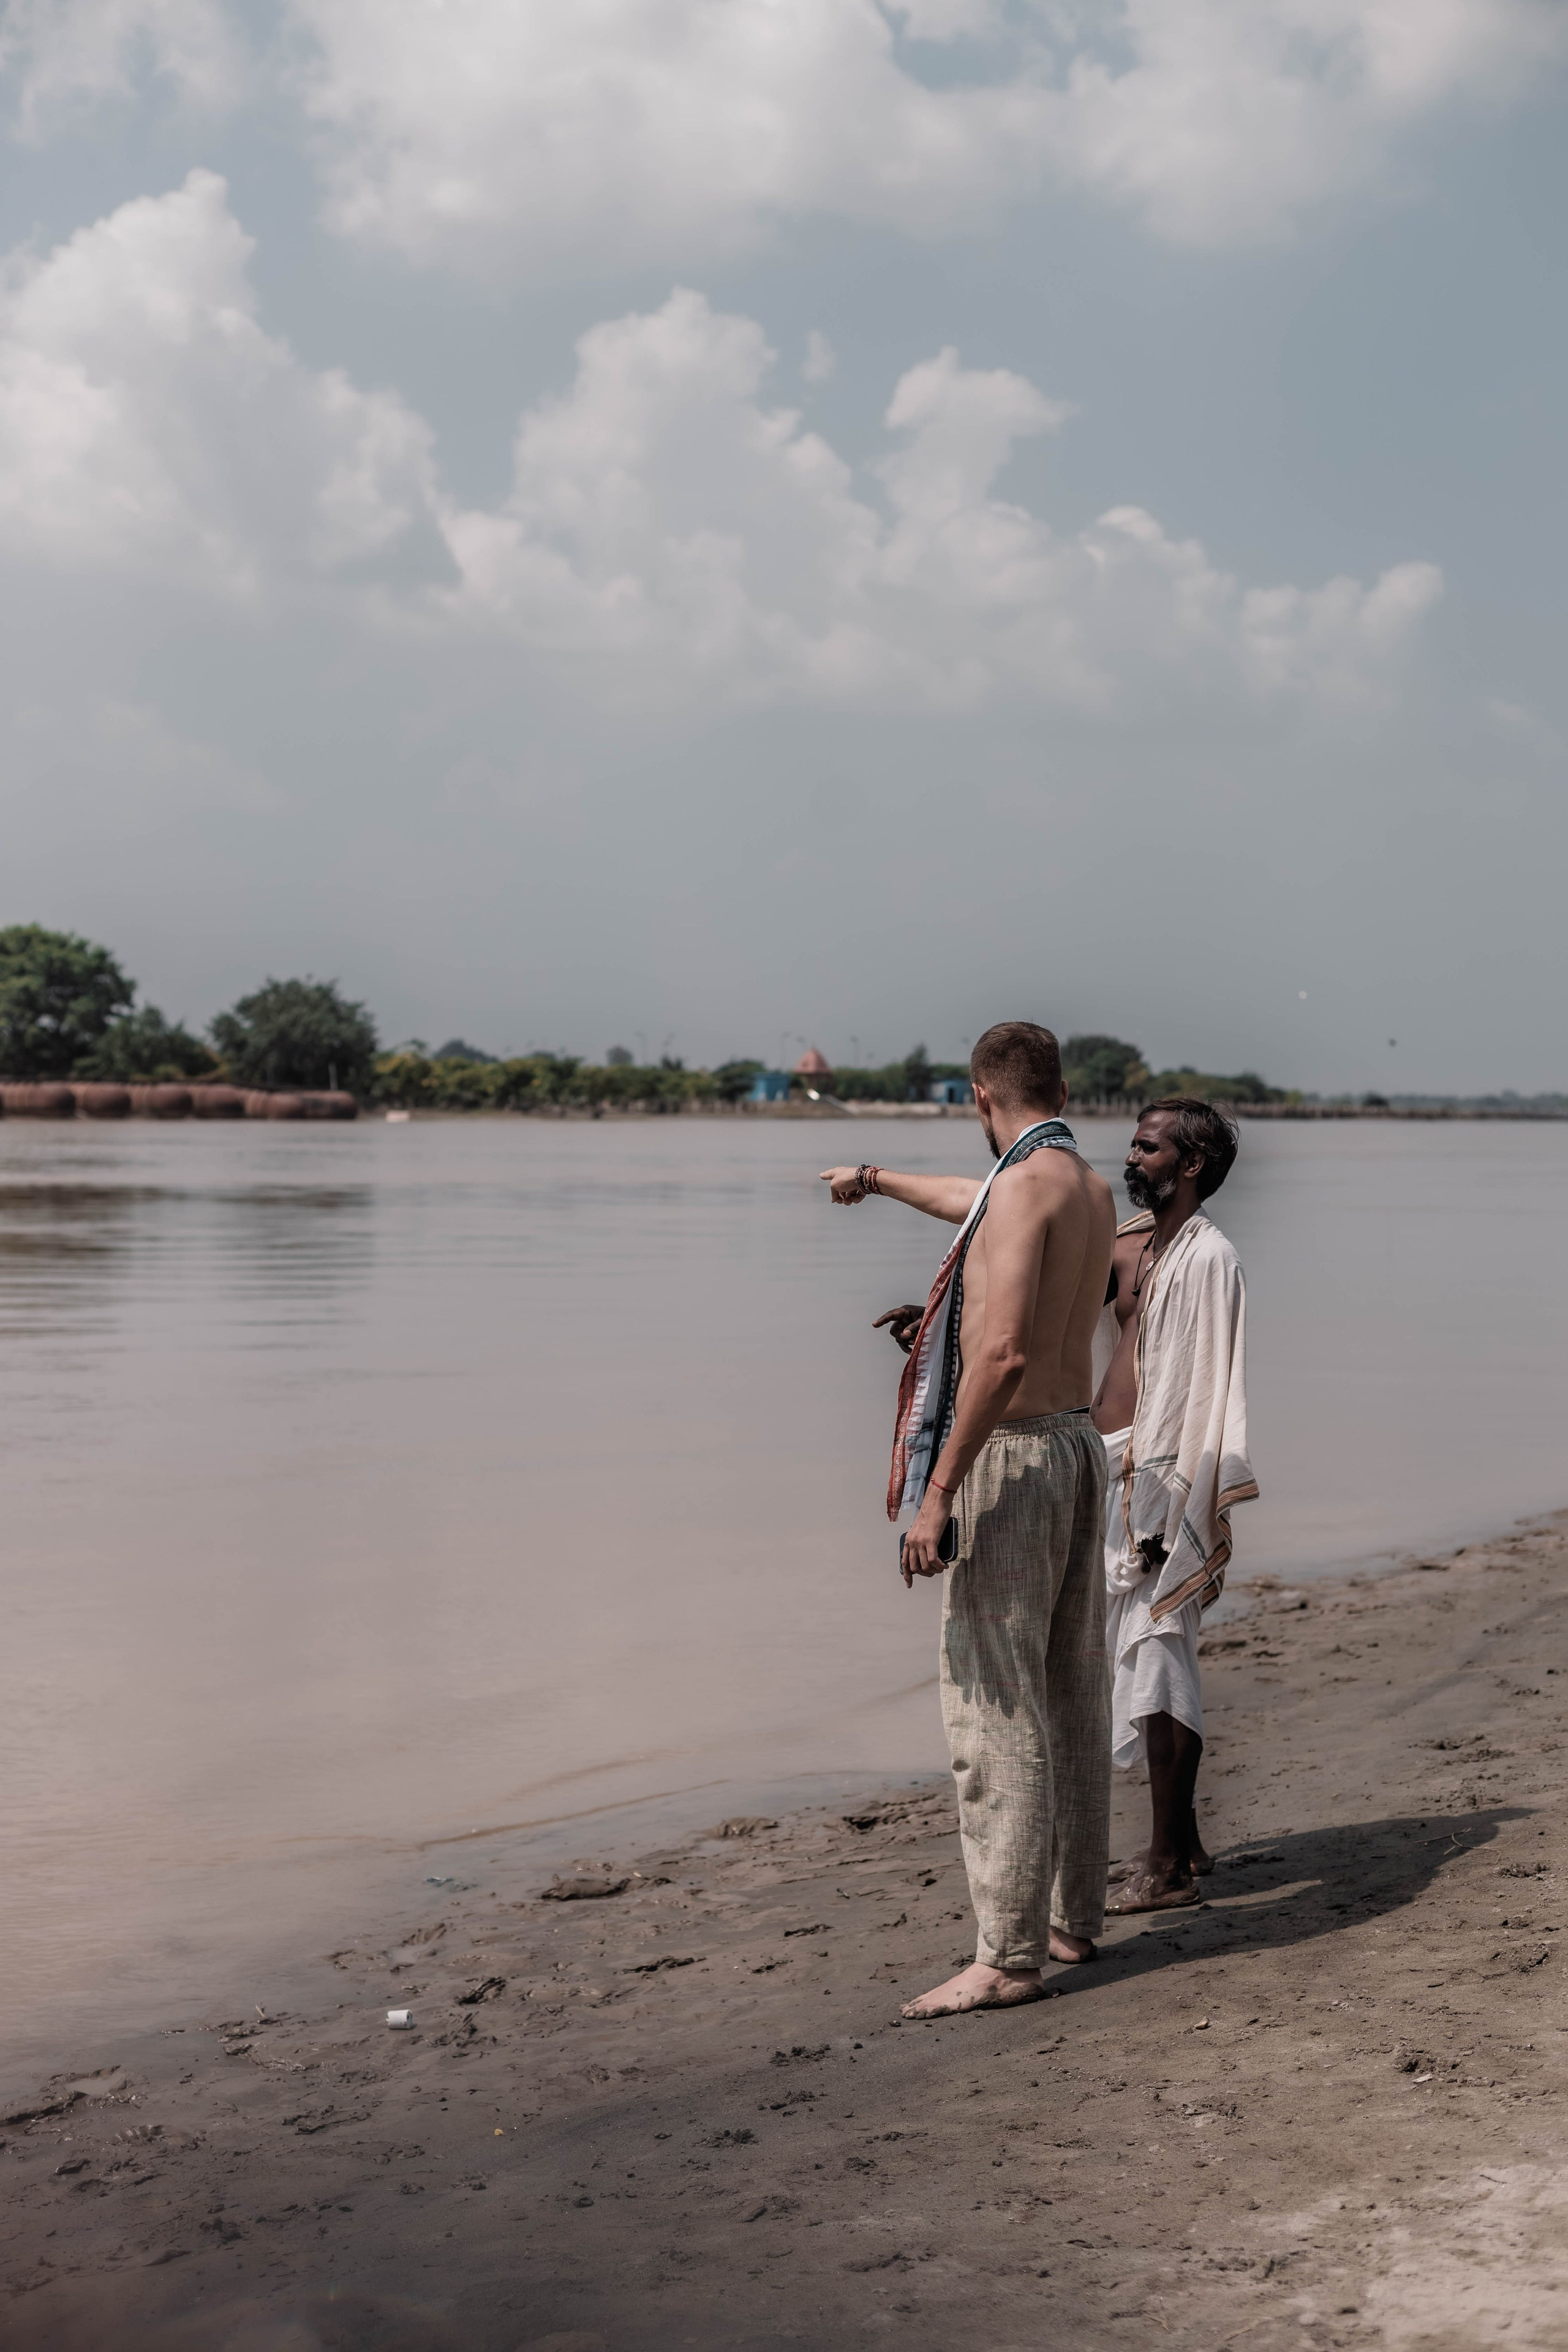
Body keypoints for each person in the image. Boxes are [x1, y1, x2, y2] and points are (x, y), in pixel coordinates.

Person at [820, 1020, 1116, 2018]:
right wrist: (875, 1177)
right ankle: (1075, 1920)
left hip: (1016, 1458)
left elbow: (998, 1360)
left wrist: (939, 1490)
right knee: (1070, 1693)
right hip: (1078, 1448)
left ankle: (1008, 1956)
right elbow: (976, 1208)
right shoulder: (1083, 1184)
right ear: (1059, 1088)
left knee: (994, 1706)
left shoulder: (1022, 1187)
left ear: (977, 1100)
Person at [1090, 1097, 1258, 1913]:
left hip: (1163, 1481)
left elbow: (1204, 1388)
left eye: (1148, 1148)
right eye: (1133, 1143)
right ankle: (1184, 1844)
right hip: (1108, 1467)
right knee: (1144, 1652)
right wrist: (948, 1326)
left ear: (1189, 1166)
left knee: (1162, 1656)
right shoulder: (1128, 1244)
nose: (1132, 1157)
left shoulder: (1209, 1258)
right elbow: (1048, 1317)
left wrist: (1174, 1498)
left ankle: (1163, 1862)